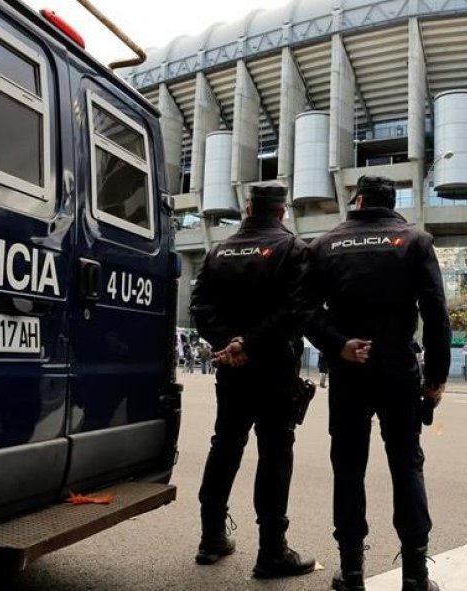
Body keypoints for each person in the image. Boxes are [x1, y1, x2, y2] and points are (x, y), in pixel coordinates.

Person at [306, 175, 451, 591]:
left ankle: (351, 572)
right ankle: (415, 575)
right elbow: (437, 315)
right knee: (406, 465)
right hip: (398, 369)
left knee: (348, 467)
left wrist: (338, 344)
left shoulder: (326, 243)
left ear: (360, 200)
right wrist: (436, 379)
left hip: (349, 369)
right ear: (390, 203)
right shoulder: (415, 241)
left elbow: (303, 308)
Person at [189, 184, 316, 578]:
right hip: (275, 367)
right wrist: (251, 343)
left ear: (247, 209)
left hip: (232, 368)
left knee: (224, 445)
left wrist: (229, 344)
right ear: (281, 213)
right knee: (275, 454)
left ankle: (211, 538)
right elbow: (296, 311)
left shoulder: (219, 250)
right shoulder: (293, 249)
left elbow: (199, 307)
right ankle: (272, 551)